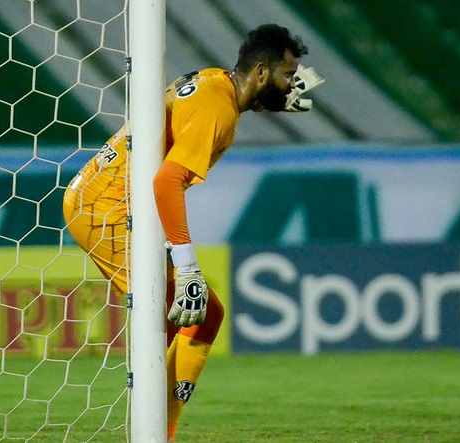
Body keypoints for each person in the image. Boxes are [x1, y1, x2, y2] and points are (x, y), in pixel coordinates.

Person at [63, 23, 323, 441]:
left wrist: (270, 101)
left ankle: (157, 430)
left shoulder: (213, 83)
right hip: (107, 208)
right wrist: (187, 267)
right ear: (260, 72)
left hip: (103, 197)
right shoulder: (216, 109)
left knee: (186, 319)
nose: (293, 84)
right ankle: (158, 433)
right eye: (286, 75)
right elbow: (166, 180)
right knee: (183, 316)